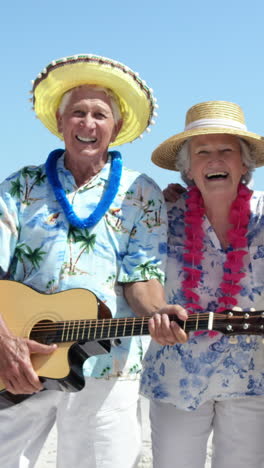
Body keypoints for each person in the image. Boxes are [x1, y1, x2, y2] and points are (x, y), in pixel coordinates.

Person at [0, 53, 181, 468]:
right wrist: (4, 341)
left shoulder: (141, 192)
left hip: (106, 365)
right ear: (61, 123)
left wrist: (158, 312)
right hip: (16, 360)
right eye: (77, 112)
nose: (88, 123)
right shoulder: (21, 184)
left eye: (100, 114)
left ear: (115, 128)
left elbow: (142, 278)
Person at [140, 100, 264, 468]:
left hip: (253, 380)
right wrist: (154, 310)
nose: (215, 160)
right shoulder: (161, 219)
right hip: (176, 378)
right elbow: (140, 274)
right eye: (202, 152)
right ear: (188, 170)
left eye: (227, 150)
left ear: (244, 165)